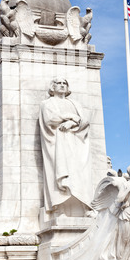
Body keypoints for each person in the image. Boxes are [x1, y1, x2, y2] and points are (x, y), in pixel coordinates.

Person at [39, 78, 92, 217]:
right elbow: (49, 119)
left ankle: (85, 207)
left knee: (80, 174)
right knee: (59, 172)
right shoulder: (47, 103)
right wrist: (70, 117)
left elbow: (85, 120)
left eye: (65, 83)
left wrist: (72, 123)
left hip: (76, 142)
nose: (62, 86)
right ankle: (58, 209)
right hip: (58, 142)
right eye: (59, 83)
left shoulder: (74, 103)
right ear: (53, 87)